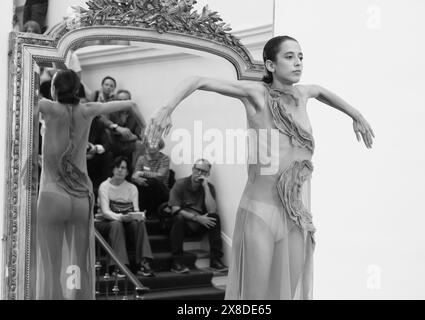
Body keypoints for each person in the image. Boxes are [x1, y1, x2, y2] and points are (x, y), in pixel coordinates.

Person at [147, 35, 374, 299]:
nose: (298, 63)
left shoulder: (305, 93)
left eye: (300, 57)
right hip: (259, 213)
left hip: (295, 215)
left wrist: (355, 115)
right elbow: (198, 80)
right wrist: (167, 107)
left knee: (286, 294)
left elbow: (322, 91)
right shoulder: (256, 95)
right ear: (270, 65)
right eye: (289, 57)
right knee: (256, 298)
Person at [36, 69, 146, 300]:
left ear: (54, 89)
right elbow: (132, 103)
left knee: (51, 269)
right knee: (78, 266)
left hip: (52, 195)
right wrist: (148, 132)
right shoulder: (88, 109)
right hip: (81, 199)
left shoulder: (47, 107)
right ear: (78, 90)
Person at [95, 156, 155, 277]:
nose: (120, 170)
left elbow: (136, 210)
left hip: (124, 223)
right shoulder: (104, 186)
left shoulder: (132, 188)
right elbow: (106, 212)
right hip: (104, 223)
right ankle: (118, 265)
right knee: (116, 224)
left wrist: (139, 216)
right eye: (117, 167)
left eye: (123, 168)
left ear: (128, 172)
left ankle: (143, 263)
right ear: (113, 169)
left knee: (139, 223)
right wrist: (122, 218)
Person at [167, 159, 227, 274]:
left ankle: (215, 260)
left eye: (204, 172)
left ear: (208, 174)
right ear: (193, 169)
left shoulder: (209, 187)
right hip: (182, 224)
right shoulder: (180, 184)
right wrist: (197, 218)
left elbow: (212, 210)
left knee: (215, 217)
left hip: (198, 225)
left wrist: (205, 187)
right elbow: (175, 209)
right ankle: (177, 262)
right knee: (178, 218)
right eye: (198, 170)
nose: (200, 173)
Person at [132, 138, 170, 218]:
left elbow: (160, 176)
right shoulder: (141, 159)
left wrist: (142, 173)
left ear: (160, 146)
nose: (151, 147)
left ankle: (152, 213)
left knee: (152, 182)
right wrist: (137, 180)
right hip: (145, 187)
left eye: (154, 144)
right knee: (137, 183)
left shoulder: (165, 159)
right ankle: (139, 212)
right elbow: (134, 175)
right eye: (149, 144)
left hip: (161, 190)